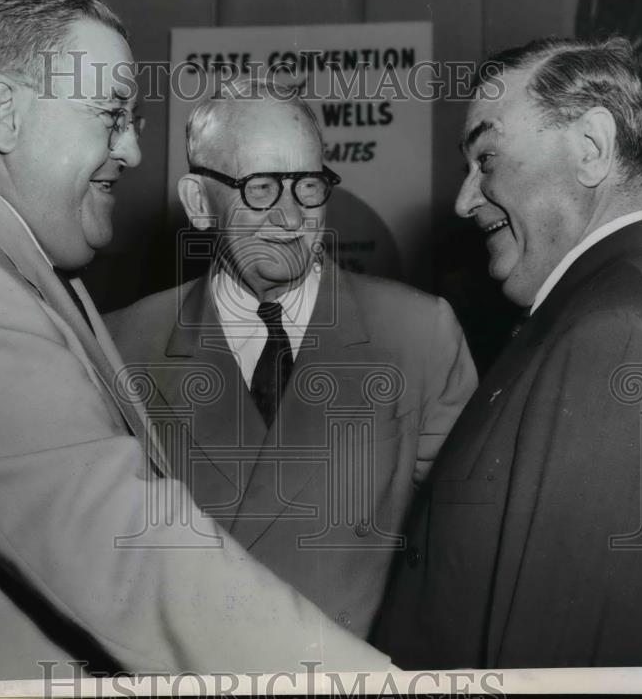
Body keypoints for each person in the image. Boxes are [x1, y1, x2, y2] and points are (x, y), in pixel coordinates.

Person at [0, 0, 392, 686]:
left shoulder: (0, 258)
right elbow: (124, 551)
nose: (135, 151)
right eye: (111, 116)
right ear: (6, 114)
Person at [372, 36, 642, 668]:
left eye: (486, 157)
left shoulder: (623, 338)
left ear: (591, 150)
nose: (463, 200)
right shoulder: (615, 308)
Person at [105, 78, 477, 638]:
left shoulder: (419, 335)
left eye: (307, 185)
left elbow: (461, 552)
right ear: (200, 204)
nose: (291, 217)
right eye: (260, 188)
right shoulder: (122, 346)